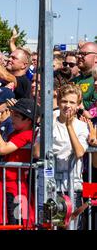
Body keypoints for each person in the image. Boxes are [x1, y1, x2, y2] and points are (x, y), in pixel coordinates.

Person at [0, 98, 36, 226]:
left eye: (17, 116)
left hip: (16, 189)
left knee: (16, 224)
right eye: (12, 113)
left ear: (28, 120)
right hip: (5, 186)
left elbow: (2, 149)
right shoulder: (16, 132)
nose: (12, 117)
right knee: (2, 223)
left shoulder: (27, 134)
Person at [53, 84, 89, 229]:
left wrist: (69, 126)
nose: (67, 105)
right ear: (59, 102)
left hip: (72, 187)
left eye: (72, 102)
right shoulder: (50, 121)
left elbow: (79, 152)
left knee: (72, 226)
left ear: (78, 105)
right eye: (64, 101)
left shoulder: (81, 126)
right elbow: (37, 152)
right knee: (55, 225)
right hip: (52, 186)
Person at [72, 42, 97, 110]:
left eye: (84, 54)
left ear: (96, 58)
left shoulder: (95, 81)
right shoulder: (74, 80)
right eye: (79, 54)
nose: (79, 56)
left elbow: (94, 105)